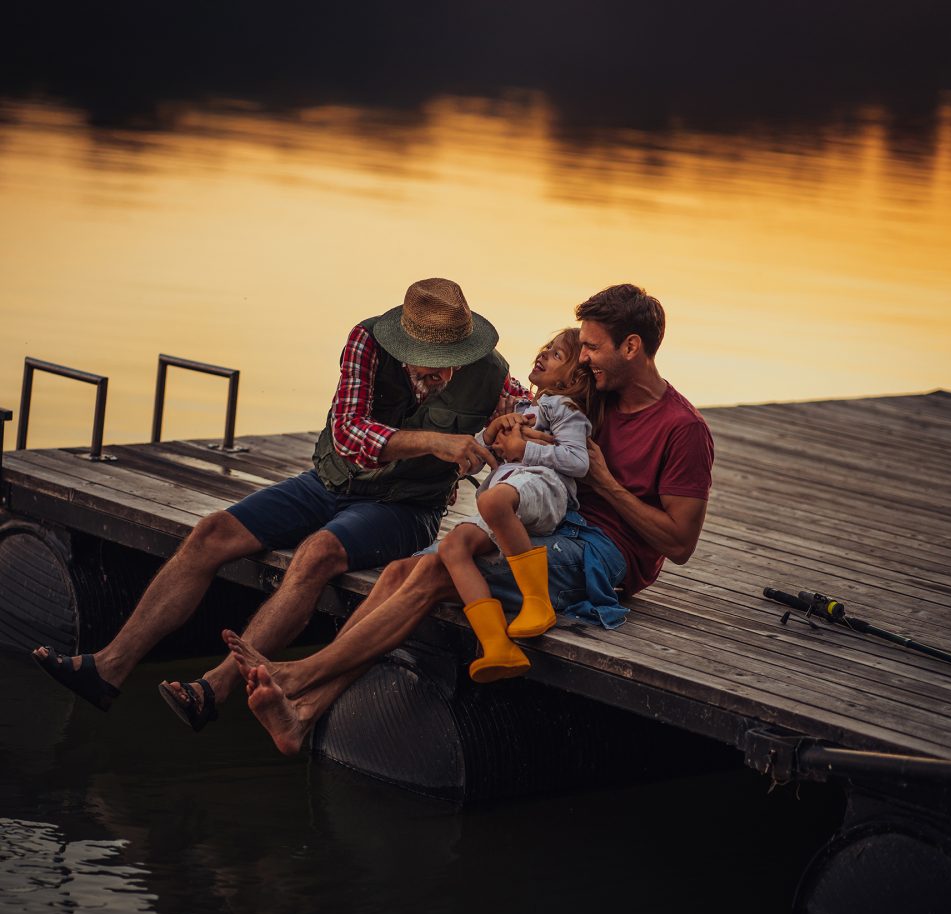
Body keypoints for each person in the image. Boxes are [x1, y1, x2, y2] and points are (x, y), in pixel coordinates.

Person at [224, 283, 715, 756]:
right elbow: (536, 413)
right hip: (550, 523)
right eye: (580, 348)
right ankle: (303, 715)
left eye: (591, 347)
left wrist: (606, 482)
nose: (582, 357)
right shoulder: (592, 395)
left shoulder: (682, 429)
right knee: (402, 571)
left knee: (437, 571)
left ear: (632, 346)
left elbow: (679, 544)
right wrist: (506, 429)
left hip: (604, 553)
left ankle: (298, 677)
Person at [31, 277, 527, 726]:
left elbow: (529, 409)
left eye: (450, 361)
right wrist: (436, 442)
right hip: (328, 481)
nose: (439, 373)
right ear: (404, 342)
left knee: (317, 553)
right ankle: (109, 667)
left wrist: (522, 423)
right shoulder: (366, 341)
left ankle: (212, 689)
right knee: (211, 532)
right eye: (429, 362)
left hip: (404, 510)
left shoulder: (491, 373)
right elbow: (349, 432)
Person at [439, 326, 598, 683]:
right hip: (510, 493)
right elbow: (476, 454)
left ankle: (537, 602)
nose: (542, 354)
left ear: (574, 378)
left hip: (544, 487)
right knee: (453, 547)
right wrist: (493, 430)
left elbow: (578, 462)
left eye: (556, 355)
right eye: (546, 348)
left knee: (494, 502)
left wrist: (523, 449)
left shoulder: (565, 408)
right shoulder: (523, 406)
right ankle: (498, 646)